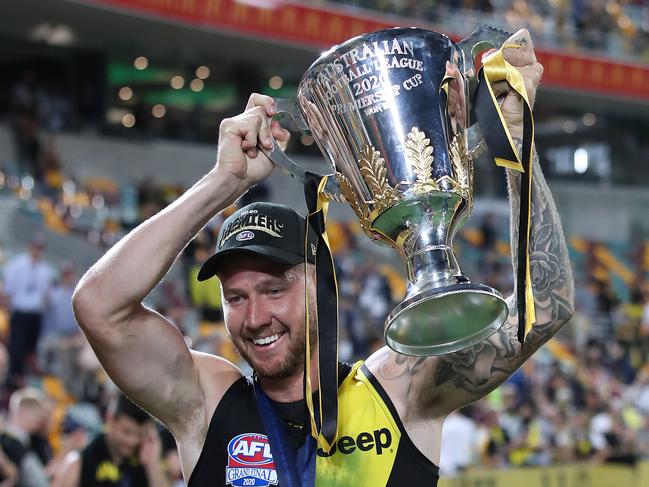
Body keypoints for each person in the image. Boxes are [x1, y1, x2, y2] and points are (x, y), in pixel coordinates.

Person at [72, 29, 574, 486]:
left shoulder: (398, 389)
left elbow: (545, 309)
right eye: (235, 297)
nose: (255, 317)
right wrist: (222, 183)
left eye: (274, 289)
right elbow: (100, 306)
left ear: (319, 281)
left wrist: (518, 143)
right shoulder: (205, 405)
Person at [53, 394, 169, 487]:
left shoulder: (145, 459)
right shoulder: (80, 461)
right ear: (110, 420)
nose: (132, 441)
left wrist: (153, 464)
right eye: (126, 432)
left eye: (140, 434)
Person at [2, 235, 54, 389]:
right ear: (30, 247)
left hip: (34, 315)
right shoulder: (16, 265)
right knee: (16, 349)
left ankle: (21, 381)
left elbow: (45, 296)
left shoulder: (46, 270)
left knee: (30, 351)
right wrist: (9, 312)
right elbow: (7, 292)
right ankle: (10, 382)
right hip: (19, 313)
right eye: (36, 247)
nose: (37, 251)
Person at [0, 387, 53, 487]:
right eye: (35, 414)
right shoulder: (9, 442)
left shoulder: (32, 440)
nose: (39, 421)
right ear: (21, 412)